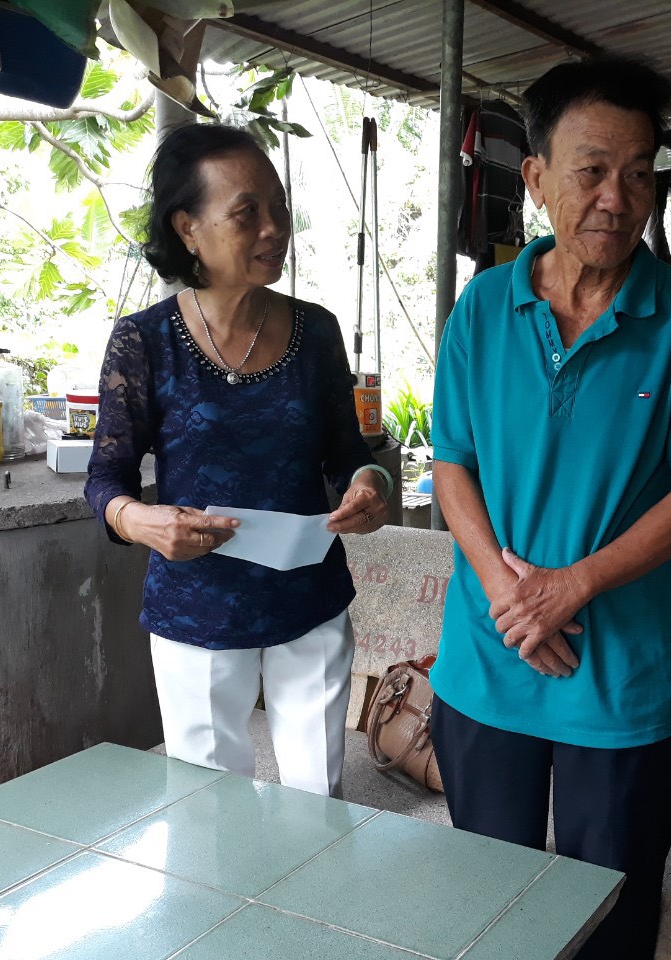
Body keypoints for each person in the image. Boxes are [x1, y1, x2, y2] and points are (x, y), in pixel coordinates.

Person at [427, 57, 671, 958]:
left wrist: (572, 587)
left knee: (611, 917)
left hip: (621, 681)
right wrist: (509, 594)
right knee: (491, 914)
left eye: (639, 173)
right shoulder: (482, 308)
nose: (617, 198)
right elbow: (452, 466)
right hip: (488, 662)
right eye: (592, 170)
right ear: (535, 178)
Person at [84, 123, 391, 798]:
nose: (274, 228)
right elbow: (105, 479)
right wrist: (140, 522)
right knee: (208, 810)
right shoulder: (144, 341)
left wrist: (370, 484)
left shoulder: (317, 330)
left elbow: (348, 455)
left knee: (317, 801)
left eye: (279, 207)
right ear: (188, 228)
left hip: (308, 595)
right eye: (247, 213)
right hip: (197, 605)